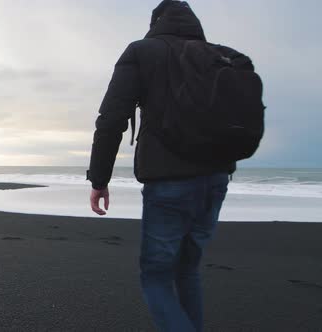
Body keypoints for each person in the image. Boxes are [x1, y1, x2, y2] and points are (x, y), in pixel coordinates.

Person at [87, 1, 238, 331]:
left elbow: (112, 120)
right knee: (187, 270)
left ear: (156, 22)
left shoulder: (142, 51)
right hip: (216, 179)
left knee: (155, 276)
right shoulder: (219, 56)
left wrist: (99, 179)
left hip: (168, 181)